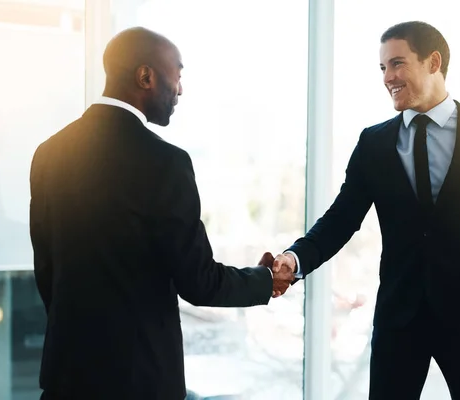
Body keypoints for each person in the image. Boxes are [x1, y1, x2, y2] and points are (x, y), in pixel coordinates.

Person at [272, 21, 460, 399]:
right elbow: (340, 220)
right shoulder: (373, 143)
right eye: (382, 68)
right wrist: (294, 260)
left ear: (433, 61)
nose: (387, 78)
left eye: (397, 64)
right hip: (399, 320)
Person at [29, 27, 293, 400]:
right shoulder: (165, 163)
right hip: (140, 381)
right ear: (145, 76)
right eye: (178, 75)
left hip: (66, 377)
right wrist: (266, 280)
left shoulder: (48, 153)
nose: (180, 89)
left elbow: (47, 273)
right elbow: (198, 281)